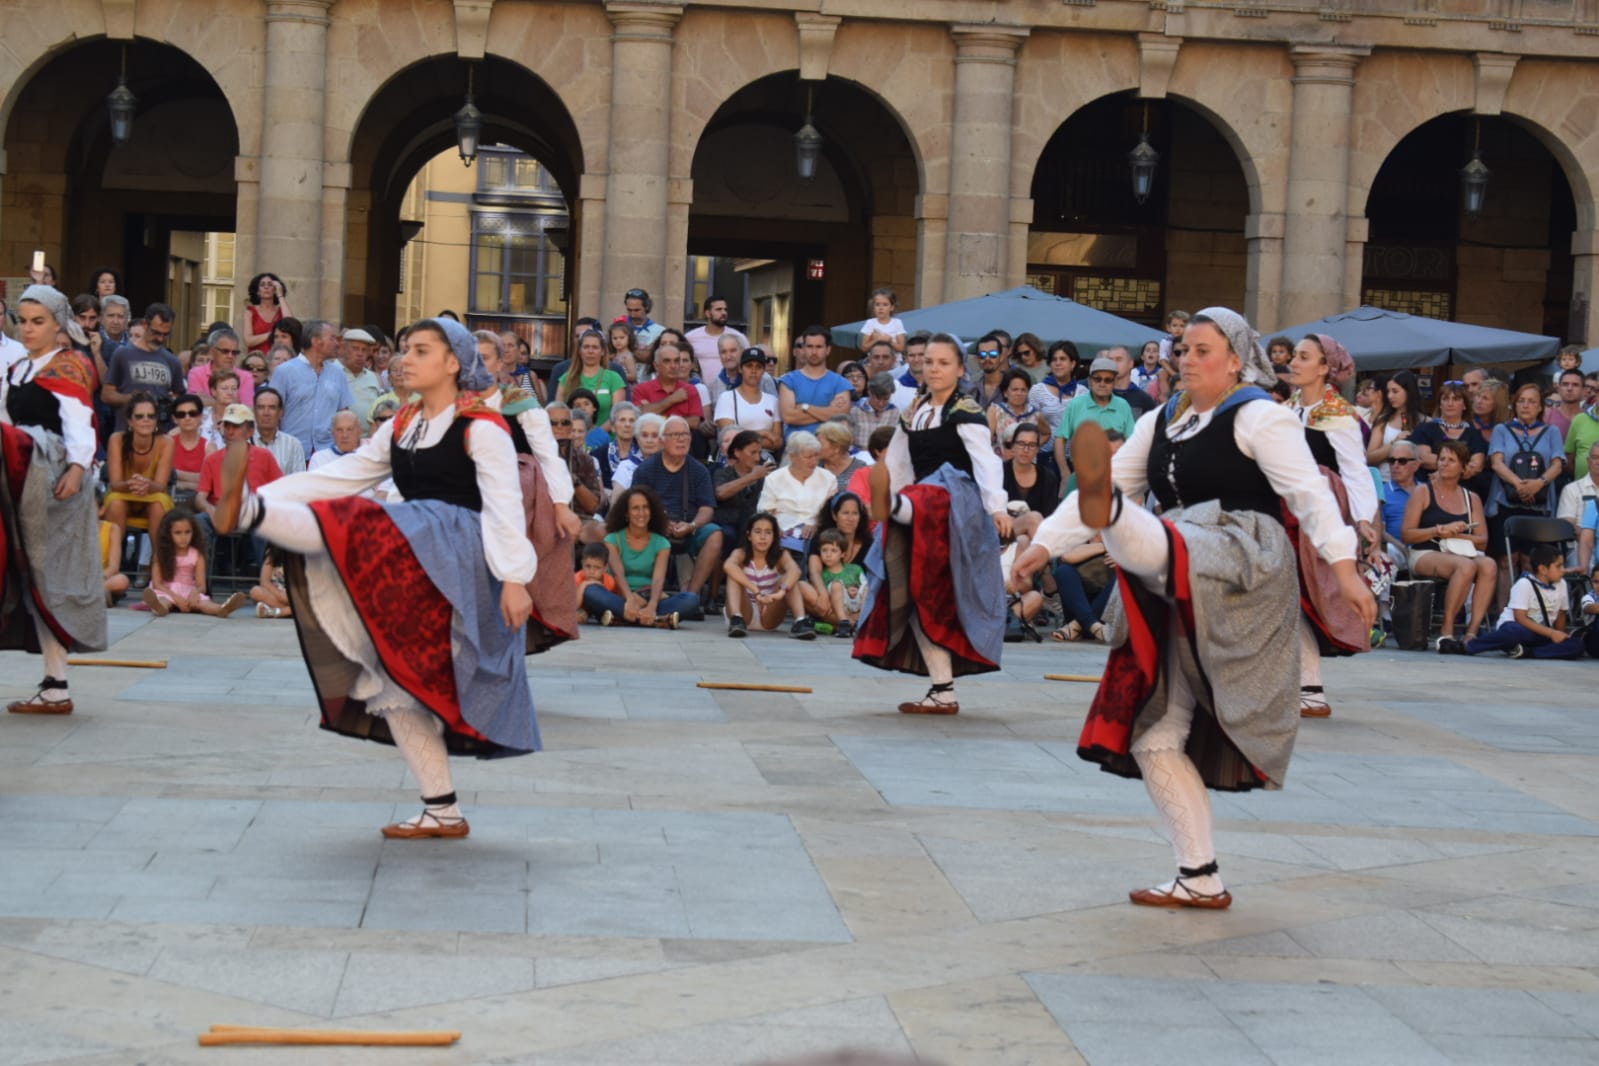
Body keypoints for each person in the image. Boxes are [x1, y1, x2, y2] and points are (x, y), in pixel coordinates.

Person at [1011, 307, 1375, 909]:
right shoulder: (1162, 419)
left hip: (1239, 560)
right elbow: (1112, 478)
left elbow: (1310, 496)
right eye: (1183, 350)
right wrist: (1046, 544)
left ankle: (1119, 520)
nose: (1187, 360)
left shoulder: (1261, 415)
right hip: (1176, 576)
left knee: (1158, 531)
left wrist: (1344, 568)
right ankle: (1200, 876)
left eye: (1203, 350)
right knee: (1154, 736)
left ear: (1236, 360)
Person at [211, 316, 539, 839]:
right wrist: (271, 493)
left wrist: (516, 578)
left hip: (460, 561)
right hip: (418, 559)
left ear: (453, 363)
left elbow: (505, 507)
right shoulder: (402, 423)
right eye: (406, 349)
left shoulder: (483, 426)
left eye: (421, 351)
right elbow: (343, 475)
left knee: (360, 522)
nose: (406, 359)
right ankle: (443, 809)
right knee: (394, 683)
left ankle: (250, 513)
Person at [855, 332, 1009, 714]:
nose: (934, 369)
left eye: (943, 363)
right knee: (914, 596)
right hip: (922, 510)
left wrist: (997, 507)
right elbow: (898, 462)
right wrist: (893, 495)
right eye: (928, 362)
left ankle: (898, 506)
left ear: (960, 369)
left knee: (932, 493)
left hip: (957, 505)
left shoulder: (966, 410)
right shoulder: (915, 410)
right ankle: (943, 691)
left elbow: (986, 462)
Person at [1, 285, 107, 714]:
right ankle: (55, 685)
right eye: (23, 321)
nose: (28, 329)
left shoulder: (69, 365)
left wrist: (78, 467)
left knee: (54, 579)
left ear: (57, 324)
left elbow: (81, 421)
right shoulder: (16, 369)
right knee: (32, 580)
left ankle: (56, 685)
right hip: (20, 481)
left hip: (53, 478)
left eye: (37, 321)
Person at [1285, 333, 1378, 718]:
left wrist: (1363, 519)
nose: (1294, 362)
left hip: (1317, 510)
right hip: (1287, 506)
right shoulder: (1291, 408)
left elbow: (1356, 471)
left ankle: (1309, 687)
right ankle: (1301, 685)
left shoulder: (1338, 414)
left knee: (1304, 596)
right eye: (1294, 355)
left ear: (1325, 367)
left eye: (1304, 357)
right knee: (1286, 596)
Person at [1405, 440, 1496, 652]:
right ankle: (1447, 630)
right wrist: (1438, 530)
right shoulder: (1423, 492)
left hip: (1458, 550)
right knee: (1466, 566)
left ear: (1463, 468)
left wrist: (1457, 533)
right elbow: (1407, 534)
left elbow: (1482, 540)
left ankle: (1472, 633)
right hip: (1425, 551)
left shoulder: (1471, 498)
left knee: (1489, 565)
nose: (1444, 463)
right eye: (1442, 459)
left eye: (1451, 460)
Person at [630, 414, 721, 605]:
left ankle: (691, 597)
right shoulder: (645, 470)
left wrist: (692, 525)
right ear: (662, 441)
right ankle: (643, 590)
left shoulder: (699, 470)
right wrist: (659, 522)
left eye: (685, 434)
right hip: (653, 528)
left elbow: (707, 508)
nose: (682, 439)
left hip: (688, 528)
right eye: (675, 435)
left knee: (715, 534)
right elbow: (636, 507)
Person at [1489, 383, 1566, 594]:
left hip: (1538, 503)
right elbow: (1497, 463)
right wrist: (1520, 485)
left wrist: (1538, 483)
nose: (1525, 405)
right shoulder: (1501, 430)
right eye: (1521, 401)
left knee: (1530, 561)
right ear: (1514, 405)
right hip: (1506, 502)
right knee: (1507, 560)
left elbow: (1557, 465)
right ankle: (1504, 610)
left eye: (1531, 401)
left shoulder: (1551, 431)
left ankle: (1530, 607)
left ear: (1540, 407)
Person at [587, 486, 698, 628]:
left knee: (691, 599)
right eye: (635, 508)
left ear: (652, 512)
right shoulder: (613, 539)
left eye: (645, 508)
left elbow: (658, 580)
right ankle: (656, 619)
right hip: (620, 597)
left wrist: (651, 605)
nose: (641, 513)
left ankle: (622, 618)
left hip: (650, 596)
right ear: (626, 513)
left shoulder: (661, 542)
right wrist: (630, 600)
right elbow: (618, 575)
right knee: (591, 591)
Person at [1460, 543, 1585, 658]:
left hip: (1542, 633)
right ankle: (1469, 646)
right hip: (1519, 628)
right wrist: (1552, 633)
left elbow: (1560, 615)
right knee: (1512, 633)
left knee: (1577, 646)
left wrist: (1560, 636)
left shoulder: (1562, 584)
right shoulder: (1524, 584)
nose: (1563, 569)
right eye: (1558, 566)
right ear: (1543, 569)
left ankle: (1527, 652)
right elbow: (1520, 618)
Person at [100, 392, 174, 553]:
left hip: (153, 496)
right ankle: (110, 562)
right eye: (139, 416)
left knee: (159, 503)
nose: (146, 420)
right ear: (130, 421)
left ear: (156, 420)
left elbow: (161, 486)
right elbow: (115, 484)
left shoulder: (166, 442)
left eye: (151, 416)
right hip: (123, 494)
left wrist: (147, 485)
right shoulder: (116, 440)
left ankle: (159, 563)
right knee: (115, 502)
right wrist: (132, 484)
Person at [272, 320, 355, 458]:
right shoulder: (284, 372)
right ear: (316, 341)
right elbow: (273, 412)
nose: (337, 343)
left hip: (328, 454)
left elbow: (344, 414)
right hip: (291, 452)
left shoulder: (338, 374)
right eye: (332, 338)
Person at [141, 509, 248, 617]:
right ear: (168, 534)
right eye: (178, 533)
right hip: (167, 590)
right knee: (163, 600)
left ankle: (222, 609)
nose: (184, 537)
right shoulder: (161, 553)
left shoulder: (197, 554)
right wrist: (176, 598)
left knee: (203, 603)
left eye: (188, 532)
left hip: (189, 590)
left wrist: (195, 593)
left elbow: (202, 586)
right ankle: (158, 608)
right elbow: (157, 584)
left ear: (194, 532)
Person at [722, 512, 809, 638]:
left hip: (769, 613)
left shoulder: (781, 555)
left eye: (768, 532)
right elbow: (728, 565)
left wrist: (780, 593)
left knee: (790, 579)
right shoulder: (741, 553)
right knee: (733, 574)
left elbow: (796, 571)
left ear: (774, 536)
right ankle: (736, 618)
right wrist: (756, 591)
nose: (763, 537)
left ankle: (800, 621)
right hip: (743, 612)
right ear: (749, 535)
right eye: (758, 532)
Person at [757, 431, 837, 563]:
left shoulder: (828, 478)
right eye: (808, 457)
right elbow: (765, 511)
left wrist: (816, 524)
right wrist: (775, 527)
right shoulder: (775, 478)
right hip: (783, 531)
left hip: (815, 531)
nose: (814, 461)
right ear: (793, 457)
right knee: (781, 548)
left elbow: (831, 511)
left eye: (816, 455)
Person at [103, 302, 181, 432]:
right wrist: (133, 398)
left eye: (166, 334)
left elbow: (179, 398)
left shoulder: (172, 361)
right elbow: (107, 395)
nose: (160, 339)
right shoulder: (122, 355)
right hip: (127, 433)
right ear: (145, 324)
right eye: (156, 332)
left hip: (161, 434)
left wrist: (171, 401)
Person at [1053, 355, 1135, 476]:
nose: (1102, 383)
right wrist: (1064, 473)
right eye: (1097, 379)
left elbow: (1132, 442)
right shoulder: (1076, 404)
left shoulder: (1123, 406)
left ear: (1114, 382)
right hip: (1080, 474)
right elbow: (1060, 439)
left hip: (1115, 475)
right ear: (1090, 381)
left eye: (1108, 380)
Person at [1411, 380, 1489, 498]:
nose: (1450, 403)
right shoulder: (1426, 429)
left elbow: (1477, 465)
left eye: (1456, 399)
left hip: (1463, 493)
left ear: (1464, 405)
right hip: (1430, 492)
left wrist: (1443, 471)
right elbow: (1424, 458)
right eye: (1445, 399)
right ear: (1440, 404)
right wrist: (1461, 466)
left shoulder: (1474, 433)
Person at [780, 327, 853, 439]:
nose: (814, 352)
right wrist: (828, 412)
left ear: (828, 350)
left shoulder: (841, 383)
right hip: (797, 446)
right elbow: (789, 417)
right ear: (804, 349)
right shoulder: (789, 380)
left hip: (829, 446)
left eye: (819, 347)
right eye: (809, 346)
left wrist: (805, 407)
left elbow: (840, 418)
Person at [715, 347, 783, 453]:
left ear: (763, 371)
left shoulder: (773, 401)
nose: (753, 371)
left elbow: (777, 442)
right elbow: (730, 438)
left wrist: (744, 438)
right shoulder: (726, 398)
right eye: (749, 366)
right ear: (740, 369)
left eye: (758, 367)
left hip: (766, 458)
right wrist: (764, 433)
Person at [806, 528, 867, 638]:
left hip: (856, 604)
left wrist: (856, 589)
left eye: (833, 551)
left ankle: (862, 622)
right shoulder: (822, 575)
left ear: (842, 554)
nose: (828, 554)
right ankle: (844, 623)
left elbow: (865, 585)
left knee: (868, 587)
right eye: (824, 550)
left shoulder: (855, 569)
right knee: (836, 585)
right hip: (838, 609)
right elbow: (827, 600)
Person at [558, 329, 627, 425]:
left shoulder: (614, 378)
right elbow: (560, 413)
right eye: (586, 347)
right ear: (579, 351)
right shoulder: (566, 379)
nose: (590, 351)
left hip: (605, 433)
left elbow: (617, 414)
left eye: (595, 347)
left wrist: (597, 432)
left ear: (602, 351)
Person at [1366, 370, 1425, 483]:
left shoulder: (1425, 421)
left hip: (1415, 484)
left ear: (1408, 392)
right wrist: (1394, 444)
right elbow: (1369, 458)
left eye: (1395, 391)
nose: (1390, 396)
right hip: (1385, 481)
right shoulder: (1383, 420)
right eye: (1388, 391)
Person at [1002, 423, 1059, 519]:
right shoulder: (999, 472)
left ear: (1037, 449)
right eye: (1021, 443)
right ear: (1013, 446)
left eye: (1032, 445)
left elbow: (1049, 516)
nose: (1026, 449)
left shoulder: (1048, 477)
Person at [685, 296, 750, 381]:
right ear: (707, 313)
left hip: (731, 386)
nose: (724, 313)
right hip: (699, 387)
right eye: (719, 309)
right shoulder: (691, 337)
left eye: (725, 310)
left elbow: (748, 363)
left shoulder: (738, 337)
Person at [187, 326, 253, 406]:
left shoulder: (246, 377)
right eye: (225, 351)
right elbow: (195, 404)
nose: (230, 356)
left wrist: (210, 401)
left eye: (234, 352)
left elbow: (246, 408)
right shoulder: (196, 373)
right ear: (212, 352)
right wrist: (232, 402)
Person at [1028, 340, 1081, 435]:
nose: (1058, 363)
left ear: (1073, 364)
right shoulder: (1037, 391)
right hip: (1045, 444)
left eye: (1062, 359)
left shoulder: (1083, 392)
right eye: (1054, 359)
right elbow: (1030, 425)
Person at [252, 386, 305, 474]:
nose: (266, 413)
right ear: (254, 411)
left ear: (281, 412)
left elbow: (299, 479)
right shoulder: (243, 443)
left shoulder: (293, 445)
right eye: (261, 407)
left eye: (272, 408)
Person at [987, 369, 1041, 455]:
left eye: (1023, 390)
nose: (1019, 393)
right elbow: (985, 439)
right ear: (1005, 393)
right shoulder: (996, 411)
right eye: (1015, 389)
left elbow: (1047, 433)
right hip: (1002, 461)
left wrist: (1033, 447)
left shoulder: (1034, 414)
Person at [612, 412, 663, 491]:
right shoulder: (626, 467)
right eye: (644, 435)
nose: (649, 440)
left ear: (663, 439)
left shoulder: (671, 465)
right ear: (638, 438)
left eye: (654, 435)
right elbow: (618, 498)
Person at [243, 273, 291, 354]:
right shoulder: (250, 312)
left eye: (270, 284)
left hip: (278, 358)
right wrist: (272, 334)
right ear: (258, 291)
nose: (266, 287)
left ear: (274, 290)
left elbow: (291, 324)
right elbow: (248, 341)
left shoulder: (281, 310)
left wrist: (280, 295)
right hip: (257, 358)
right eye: (262, 285)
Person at [574, 542, 618, 624]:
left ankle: (604, 618)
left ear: (605, 568)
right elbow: (574, 605)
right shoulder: (577, 579)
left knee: (610, 614)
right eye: (588, 566)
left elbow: (611, 601)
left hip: (599, 609)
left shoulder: (610, 581)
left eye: (597, 568)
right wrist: (583, 585)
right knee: (578, 617)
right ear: (582, 564)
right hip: (581, 608)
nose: (591, 571)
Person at [859, 287, 906, 357]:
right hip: (875, 361)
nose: (881, 308)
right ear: (873, 307)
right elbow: (864, 348)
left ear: (892, 307)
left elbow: (901, 348)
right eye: (877, 304)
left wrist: (889, 341)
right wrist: (877, 339)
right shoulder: (870, 323)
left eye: (885, 304)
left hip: (895, 361)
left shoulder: (897, 323)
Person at [250, 547, 293, 619]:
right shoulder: (272, 554)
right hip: (277, 594)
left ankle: (275, 612)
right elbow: (264, 581)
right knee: (255, 591)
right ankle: (289, 612)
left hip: (295, 595)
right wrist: (280, 594)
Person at [1546, 368, 1586, 439]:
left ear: (1583, 390)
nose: (1569, 388)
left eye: (1575, 385)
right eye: (1565, 384)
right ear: (1558, 389)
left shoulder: (1590, 419)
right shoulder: (1546, 416)